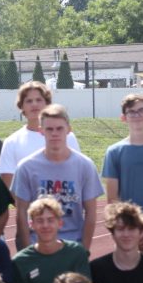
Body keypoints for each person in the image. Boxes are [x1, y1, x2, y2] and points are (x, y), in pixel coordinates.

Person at [12, 104, 102, 251]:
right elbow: (21, 212)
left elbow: (91, 212)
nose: (55, 133)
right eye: (49, 129)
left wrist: (83, 250)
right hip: (38, 245)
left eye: (59, 128)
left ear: (68, 130)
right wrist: (29, 250)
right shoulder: (26, 167)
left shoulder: (85, 165)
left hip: (73, 245)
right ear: (41, 131)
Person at [0, 80, 80, 187]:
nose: (34, 104)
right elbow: (9, 183)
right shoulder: (12, 142)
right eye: (29, 101)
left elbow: (77, 174)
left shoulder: (67, 137)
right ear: (21, 106)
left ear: (47, 104)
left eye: (39, 100)